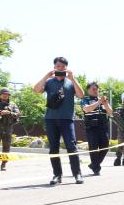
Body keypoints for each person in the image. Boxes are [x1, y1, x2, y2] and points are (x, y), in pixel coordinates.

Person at [33, 56, 85, 185]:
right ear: (54, 67)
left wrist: (73, 78)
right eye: (57, 66)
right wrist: (46, 76)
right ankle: (57, 175)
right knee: (53, 148)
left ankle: (77, 174)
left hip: (67, 119)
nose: (60, 69)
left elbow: (81, 95)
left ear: (66, 68)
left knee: (71, 146)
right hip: (51, 119)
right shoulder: (49, 82)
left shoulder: (70, 82)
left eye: (62, 67)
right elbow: (36, 90)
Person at [81, 82, 112, 175]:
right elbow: (86, 109)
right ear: (88, 90)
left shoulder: (102, 100)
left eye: (96, 89)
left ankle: (94, 164)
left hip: (103, 127)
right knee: (93, 148)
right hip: (91, 128)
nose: (95, 91)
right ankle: (96, 168)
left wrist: (105, 104)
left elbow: (110, 112)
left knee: (105, 147)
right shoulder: (85, 99)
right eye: (93, 89)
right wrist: (98, 102)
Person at [0, 87, 20, 171]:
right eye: (4, 94)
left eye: (7, 94)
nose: (5, 95)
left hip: (8, 128)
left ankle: (3, 164)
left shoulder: (13, 104)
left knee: (6, 147)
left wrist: (9, 112)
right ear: (0, 95)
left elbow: (17, 114)